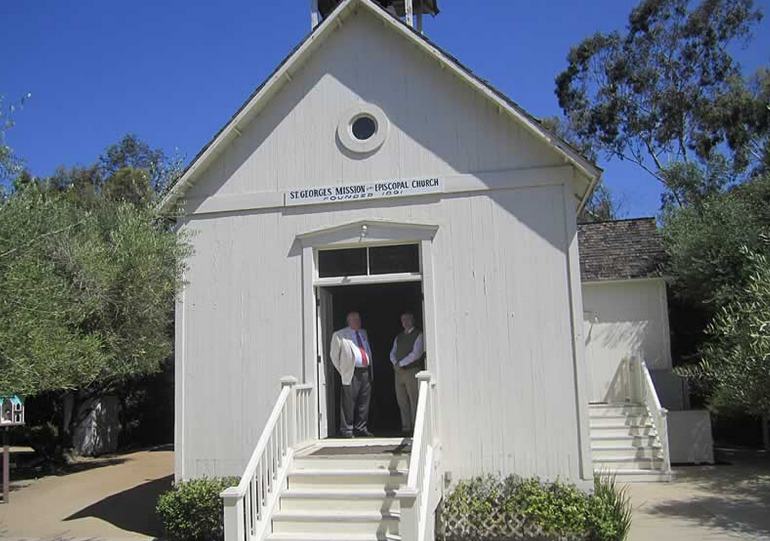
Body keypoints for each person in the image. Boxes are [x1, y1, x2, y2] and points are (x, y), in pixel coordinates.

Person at [330, 311, 374, 438]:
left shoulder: (363, 333)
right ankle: (347, 429)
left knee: (364, 401)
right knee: (348, 402)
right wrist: (344, 370)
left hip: (365, 370)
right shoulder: (340, 335)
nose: (357, 321)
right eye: (354, 319)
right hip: (351, 371)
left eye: (358, 319)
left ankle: (361, 427)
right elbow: (334, 356)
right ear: (348, 321)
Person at [389, 312, 425, 435]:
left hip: (411, 370)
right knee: (402, 400)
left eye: (408, 319)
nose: (405, 322)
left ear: (412, 320)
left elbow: (416, 353)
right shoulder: (399, 337)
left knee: (413, 398)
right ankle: (406, 426)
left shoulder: (418, 335)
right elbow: (392, 352)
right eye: (403, 320)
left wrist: (401, 363)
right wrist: (395, 363)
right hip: (399, 372)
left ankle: (416, 426)